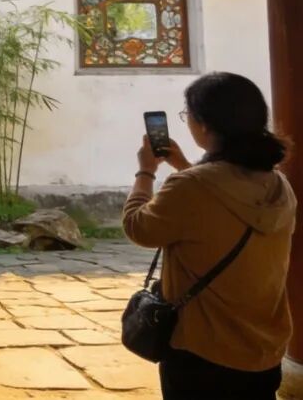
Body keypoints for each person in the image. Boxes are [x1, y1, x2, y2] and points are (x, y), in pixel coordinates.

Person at [122, 71, 295, 400]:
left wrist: (146, 171)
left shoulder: (192, 186)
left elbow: (138, 228)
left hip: (202, 349)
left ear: (203, 125)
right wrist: (184, 165)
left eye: (187, 114)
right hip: (262, 349)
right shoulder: (277, 185)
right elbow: (220, 203)